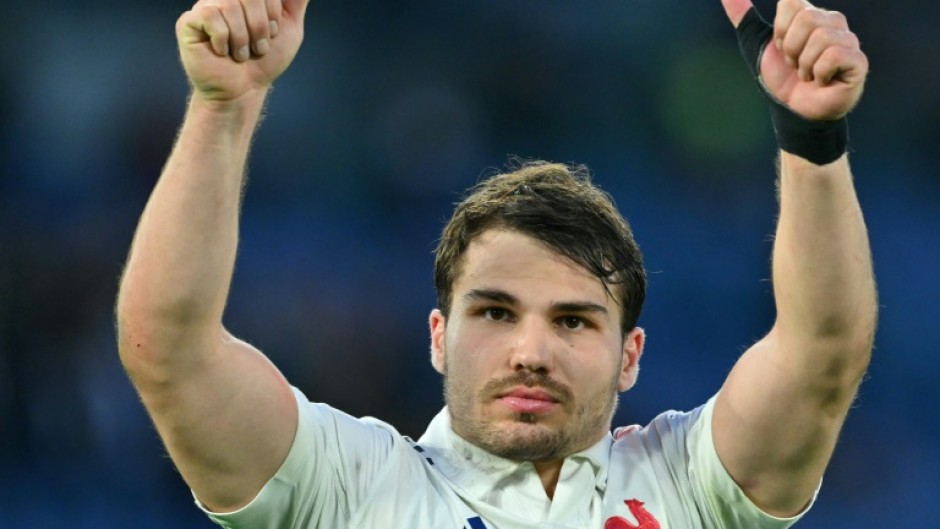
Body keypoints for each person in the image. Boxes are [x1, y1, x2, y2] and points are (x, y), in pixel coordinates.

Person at [115, 0, 876, 527]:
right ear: (439, 336)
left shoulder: (687, 484)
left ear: (629, 356)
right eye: (495, 311)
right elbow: (169, 348)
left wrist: (810, 137)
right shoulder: (349, 484)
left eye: (574, 321)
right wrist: (223, 106)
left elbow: (823, 353)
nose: (530, 351)